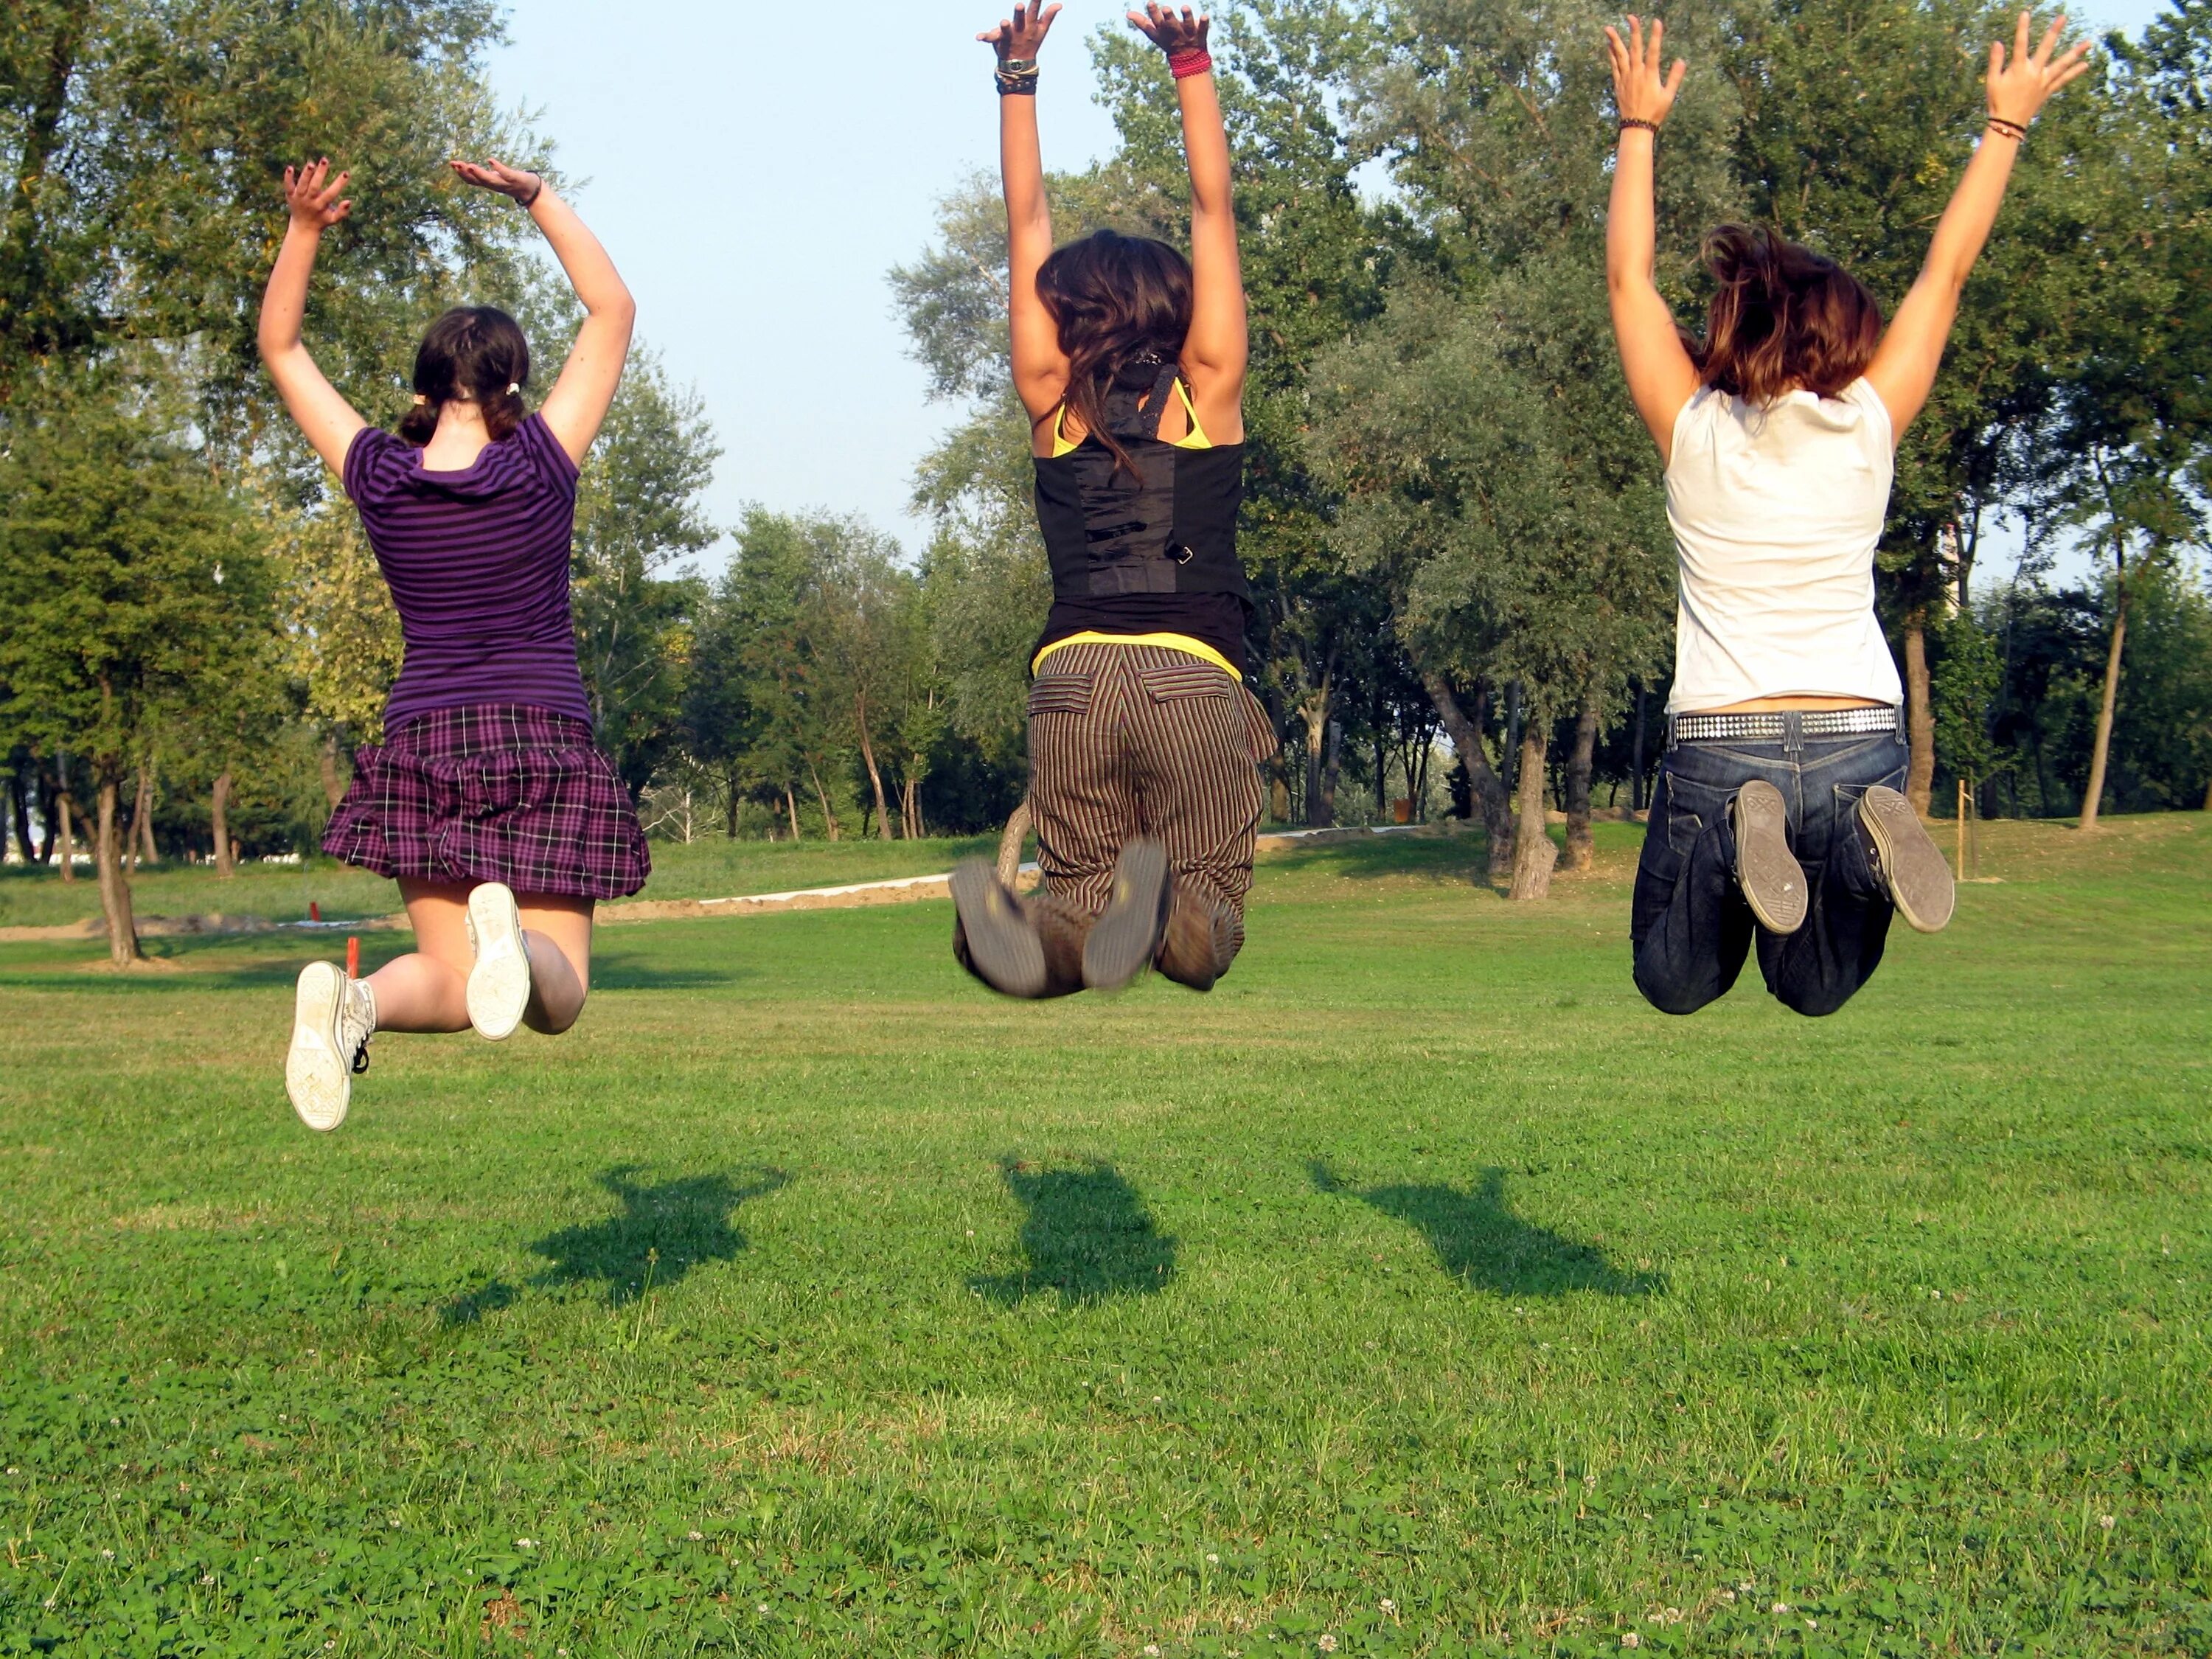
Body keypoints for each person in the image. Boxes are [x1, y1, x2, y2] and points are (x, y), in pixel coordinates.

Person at [1604, 12, 2089, 1016]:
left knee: (1675, 978)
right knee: (1815, 987)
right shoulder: (1869, 423)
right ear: (1849, 341)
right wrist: (2005, 129)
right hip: (1860, 729)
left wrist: (1637, 127)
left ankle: (1749, 825)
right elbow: (1944, 274)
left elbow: (1628, 280)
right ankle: (1866, 850)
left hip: (1721, 729)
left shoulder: (1694, 428)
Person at [259, 154, 645, 1130]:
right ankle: (514, 930)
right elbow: (612, 312)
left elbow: (282, 349)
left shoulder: (381, 475)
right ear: (512, 378)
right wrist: (534, 195)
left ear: (426, 382)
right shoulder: (539, 464)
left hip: (425, 739)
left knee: (441, 971)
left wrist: (304, 228)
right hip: (539, 732)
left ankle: (358, 1002)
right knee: (558, 997)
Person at [952, 2, 1277, 1001]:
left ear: (1067, 312)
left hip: (1071, 681)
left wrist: (1016, 83)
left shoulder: (1052, 403)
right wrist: (1191, 62)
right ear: (1175, 309)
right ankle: (1176, 910)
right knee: (1211, 904)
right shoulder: (1203, 391)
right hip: (1190, 678)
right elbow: (1214, 210)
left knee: (1080, 905)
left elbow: (1025, 225)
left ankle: (1022, 931)